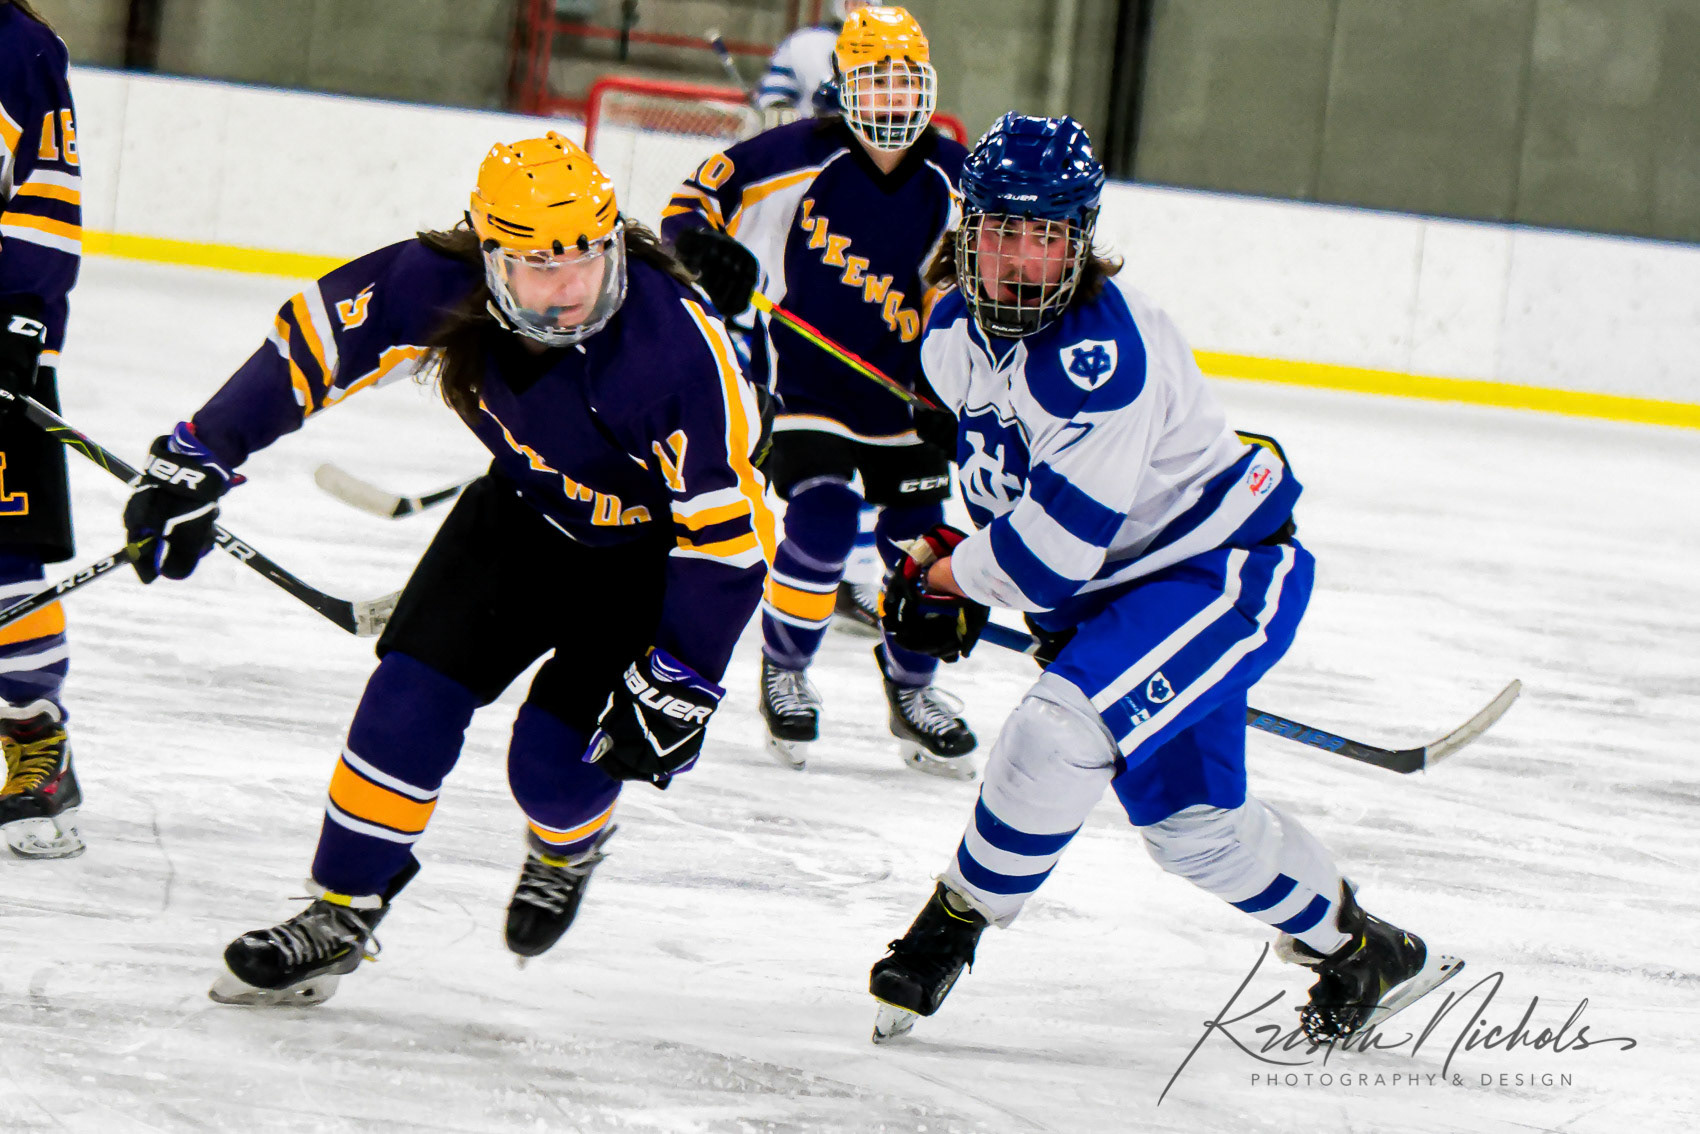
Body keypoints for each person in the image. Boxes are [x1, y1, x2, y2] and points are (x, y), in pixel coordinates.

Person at [120, 134, 772, 1006]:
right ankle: (342, 909)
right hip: (523, 517)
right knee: (407, 700)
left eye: (588, 255)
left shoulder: (675, 357)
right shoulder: (439, 283)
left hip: (648, 566)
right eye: (540, 265)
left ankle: (567, 848)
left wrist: (684, 678)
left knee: (552, 769)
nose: (572, 287)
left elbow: (728, 545)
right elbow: (309, 344)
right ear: (491, 257)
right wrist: (201, 451)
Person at [866, 114, 1460, 1045]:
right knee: (1196, 833)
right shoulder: (951, 334)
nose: (1022, 261)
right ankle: (1365, 951)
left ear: (1080, 241)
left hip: (1217, 574)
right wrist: (953, 559)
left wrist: (956, 578)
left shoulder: (1102, 358)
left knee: (1056, 731)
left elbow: (1050, 555)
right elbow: (1012, 501)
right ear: (968, 230)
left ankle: (951, 925)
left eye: (1047, 236)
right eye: (1003, 232)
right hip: (1123, 592)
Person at [662, 6, 977, 778]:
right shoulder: (798, 152)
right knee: (827, 516)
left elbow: (987, 279)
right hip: (803, 384)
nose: (895, 99)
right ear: (845, 85)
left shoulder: (954, 172)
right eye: (878, 81)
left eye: (907, 83)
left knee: (920, 544)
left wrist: (964, 397)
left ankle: (913, 689)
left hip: (907, 399)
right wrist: (702, 249)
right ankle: (786, 668)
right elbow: (692, 205)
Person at [0, 0, 86, 860]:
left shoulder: (19, 48)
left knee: (2, 563)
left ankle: (36, 740)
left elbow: (47, 194)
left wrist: (20, 322)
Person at [753, 0, 873, 119]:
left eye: (864, 2)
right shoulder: (804, 41)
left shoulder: (882, 45)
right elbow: (774, 92)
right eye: (854, 2)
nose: (858, 7)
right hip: (810, 126)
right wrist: (780, 112)